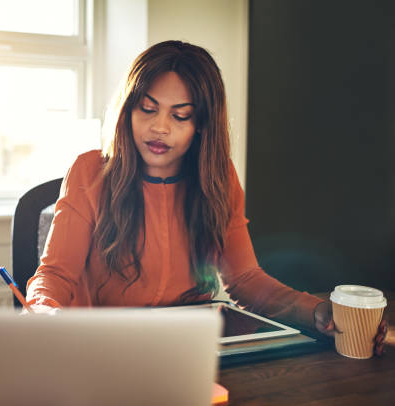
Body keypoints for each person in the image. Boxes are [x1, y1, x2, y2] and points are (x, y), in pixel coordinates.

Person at [25, 40, 387, 355]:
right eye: (147, 109)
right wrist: (43, 310)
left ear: (201, 124)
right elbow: (56, 274)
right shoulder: (90, 171)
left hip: (190, 349)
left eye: (180, 115)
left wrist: (316, 311)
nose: (160, 127)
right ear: (127, 110)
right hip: (104, 348)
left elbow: (245, 280)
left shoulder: (218, 177)